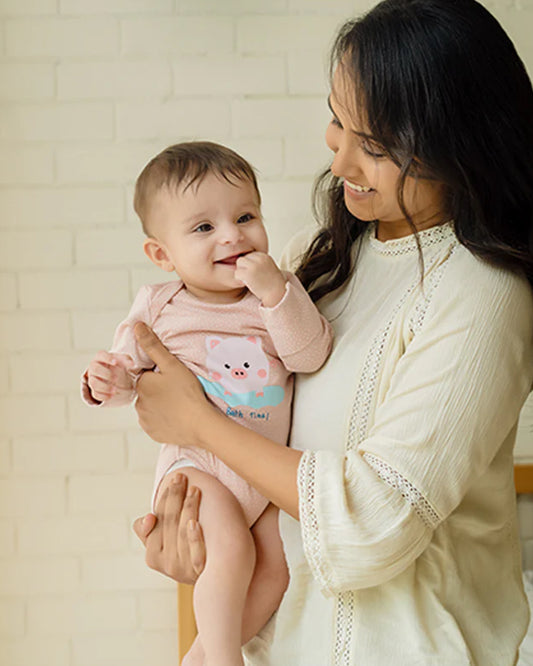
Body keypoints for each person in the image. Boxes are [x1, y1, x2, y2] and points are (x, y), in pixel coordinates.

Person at [132, 1, 533, 664]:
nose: (340, 159)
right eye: (336, 121)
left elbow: (371, 526)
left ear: (460, 147)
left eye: (374, 145)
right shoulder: (310, 263)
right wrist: (199, 536)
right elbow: (265, 463)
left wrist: (196, 424)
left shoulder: (483, 295)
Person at [81, 141, 334, 666]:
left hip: (262, 472)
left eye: (245, 216)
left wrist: (276, 295)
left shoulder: (277, 295)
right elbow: (134, 376)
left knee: (280, 566)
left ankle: (200, 655)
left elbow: (309, 355)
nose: (232, 235)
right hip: (196, 468)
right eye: (203, 228)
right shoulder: (159, 303)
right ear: (162, 254)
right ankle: (224, 659)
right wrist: (108, 380)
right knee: (233, 552)